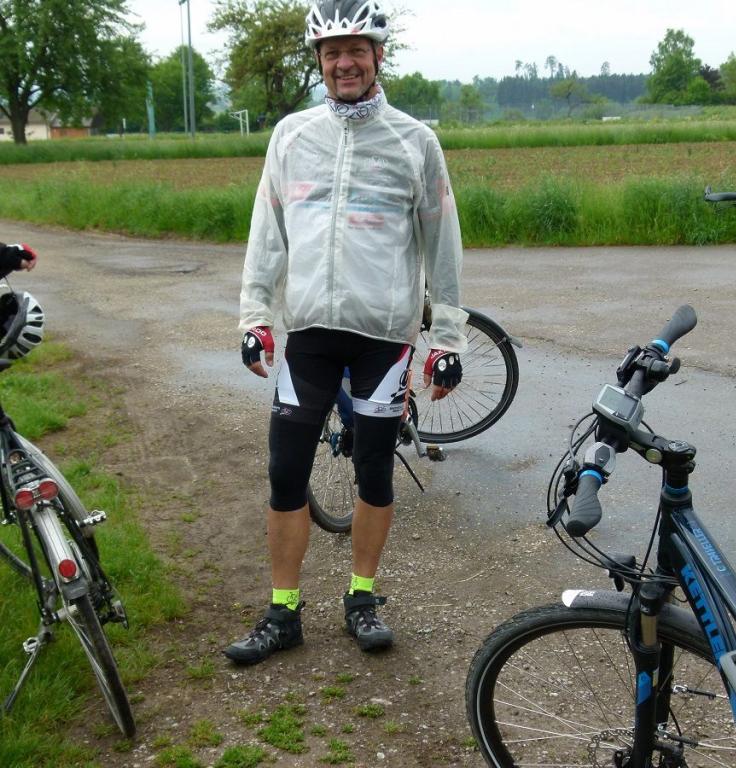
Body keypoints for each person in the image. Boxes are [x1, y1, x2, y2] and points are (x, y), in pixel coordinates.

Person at [224, 0, 467, 665]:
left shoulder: (415, 141)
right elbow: (267, 233)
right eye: (332, 53)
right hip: (308, 335)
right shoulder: (292, 136)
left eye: (356, 49)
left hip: (382, 338)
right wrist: (254, 318)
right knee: (285, 472)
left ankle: (362, 598)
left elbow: (442, 244)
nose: (344, 63)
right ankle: (284, 611)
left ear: (378, 56)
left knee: (373, 472)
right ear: (320, 62)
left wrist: (447, 338)